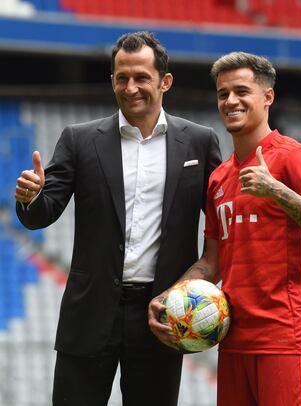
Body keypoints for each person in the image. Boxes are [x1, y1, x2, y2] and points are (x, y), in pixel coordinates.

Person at [15, 31, 221, 406]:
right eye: (121, 77)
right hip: (90, 313)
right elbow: (41, 214)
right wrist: (31, 198)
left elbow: (223, 223)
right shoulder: (79, 139)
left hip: (160, 316)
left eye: (142, 77)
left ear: (165, 81)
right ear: (111, 79)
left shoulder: (199, 142)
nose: (130, 87)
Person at [148, 51, 301, 406]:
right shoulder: (220, 179)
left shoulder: (293, 157)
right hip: (233, 340)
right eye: (223, 93)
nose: (230, 101)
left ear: (267, 97)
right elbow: (211, 263)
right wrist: (169, 296)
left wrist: (276, 190)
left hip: (287, 340)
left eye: (241, 91)